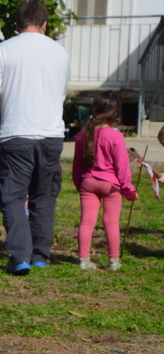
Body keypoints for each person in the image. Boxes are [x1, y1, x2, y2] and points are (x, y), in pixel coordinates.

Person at [0, 0, 71, 276]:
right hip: (51, 135)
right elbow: (61, 94)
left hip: (16, 134)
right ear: (44, 24)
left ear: (15, 25)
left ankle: (19, 255)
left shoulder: (3, 50)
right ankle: (40, 254)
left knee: (13, 197)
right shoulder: (60, 52)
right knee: (44, 196)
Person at [72, 91, 137, 271]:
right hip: (111, 184)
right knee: (111, 222)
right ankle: (113, 261)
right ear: (115, 113)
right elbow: (122, 167)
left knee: (86, 222)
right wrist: (128, 189)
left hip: (88, 182)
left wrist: (79, 182)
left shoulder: (83, 135)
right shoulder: (116, 137)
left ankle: (84, 260)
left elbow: (77, 163)